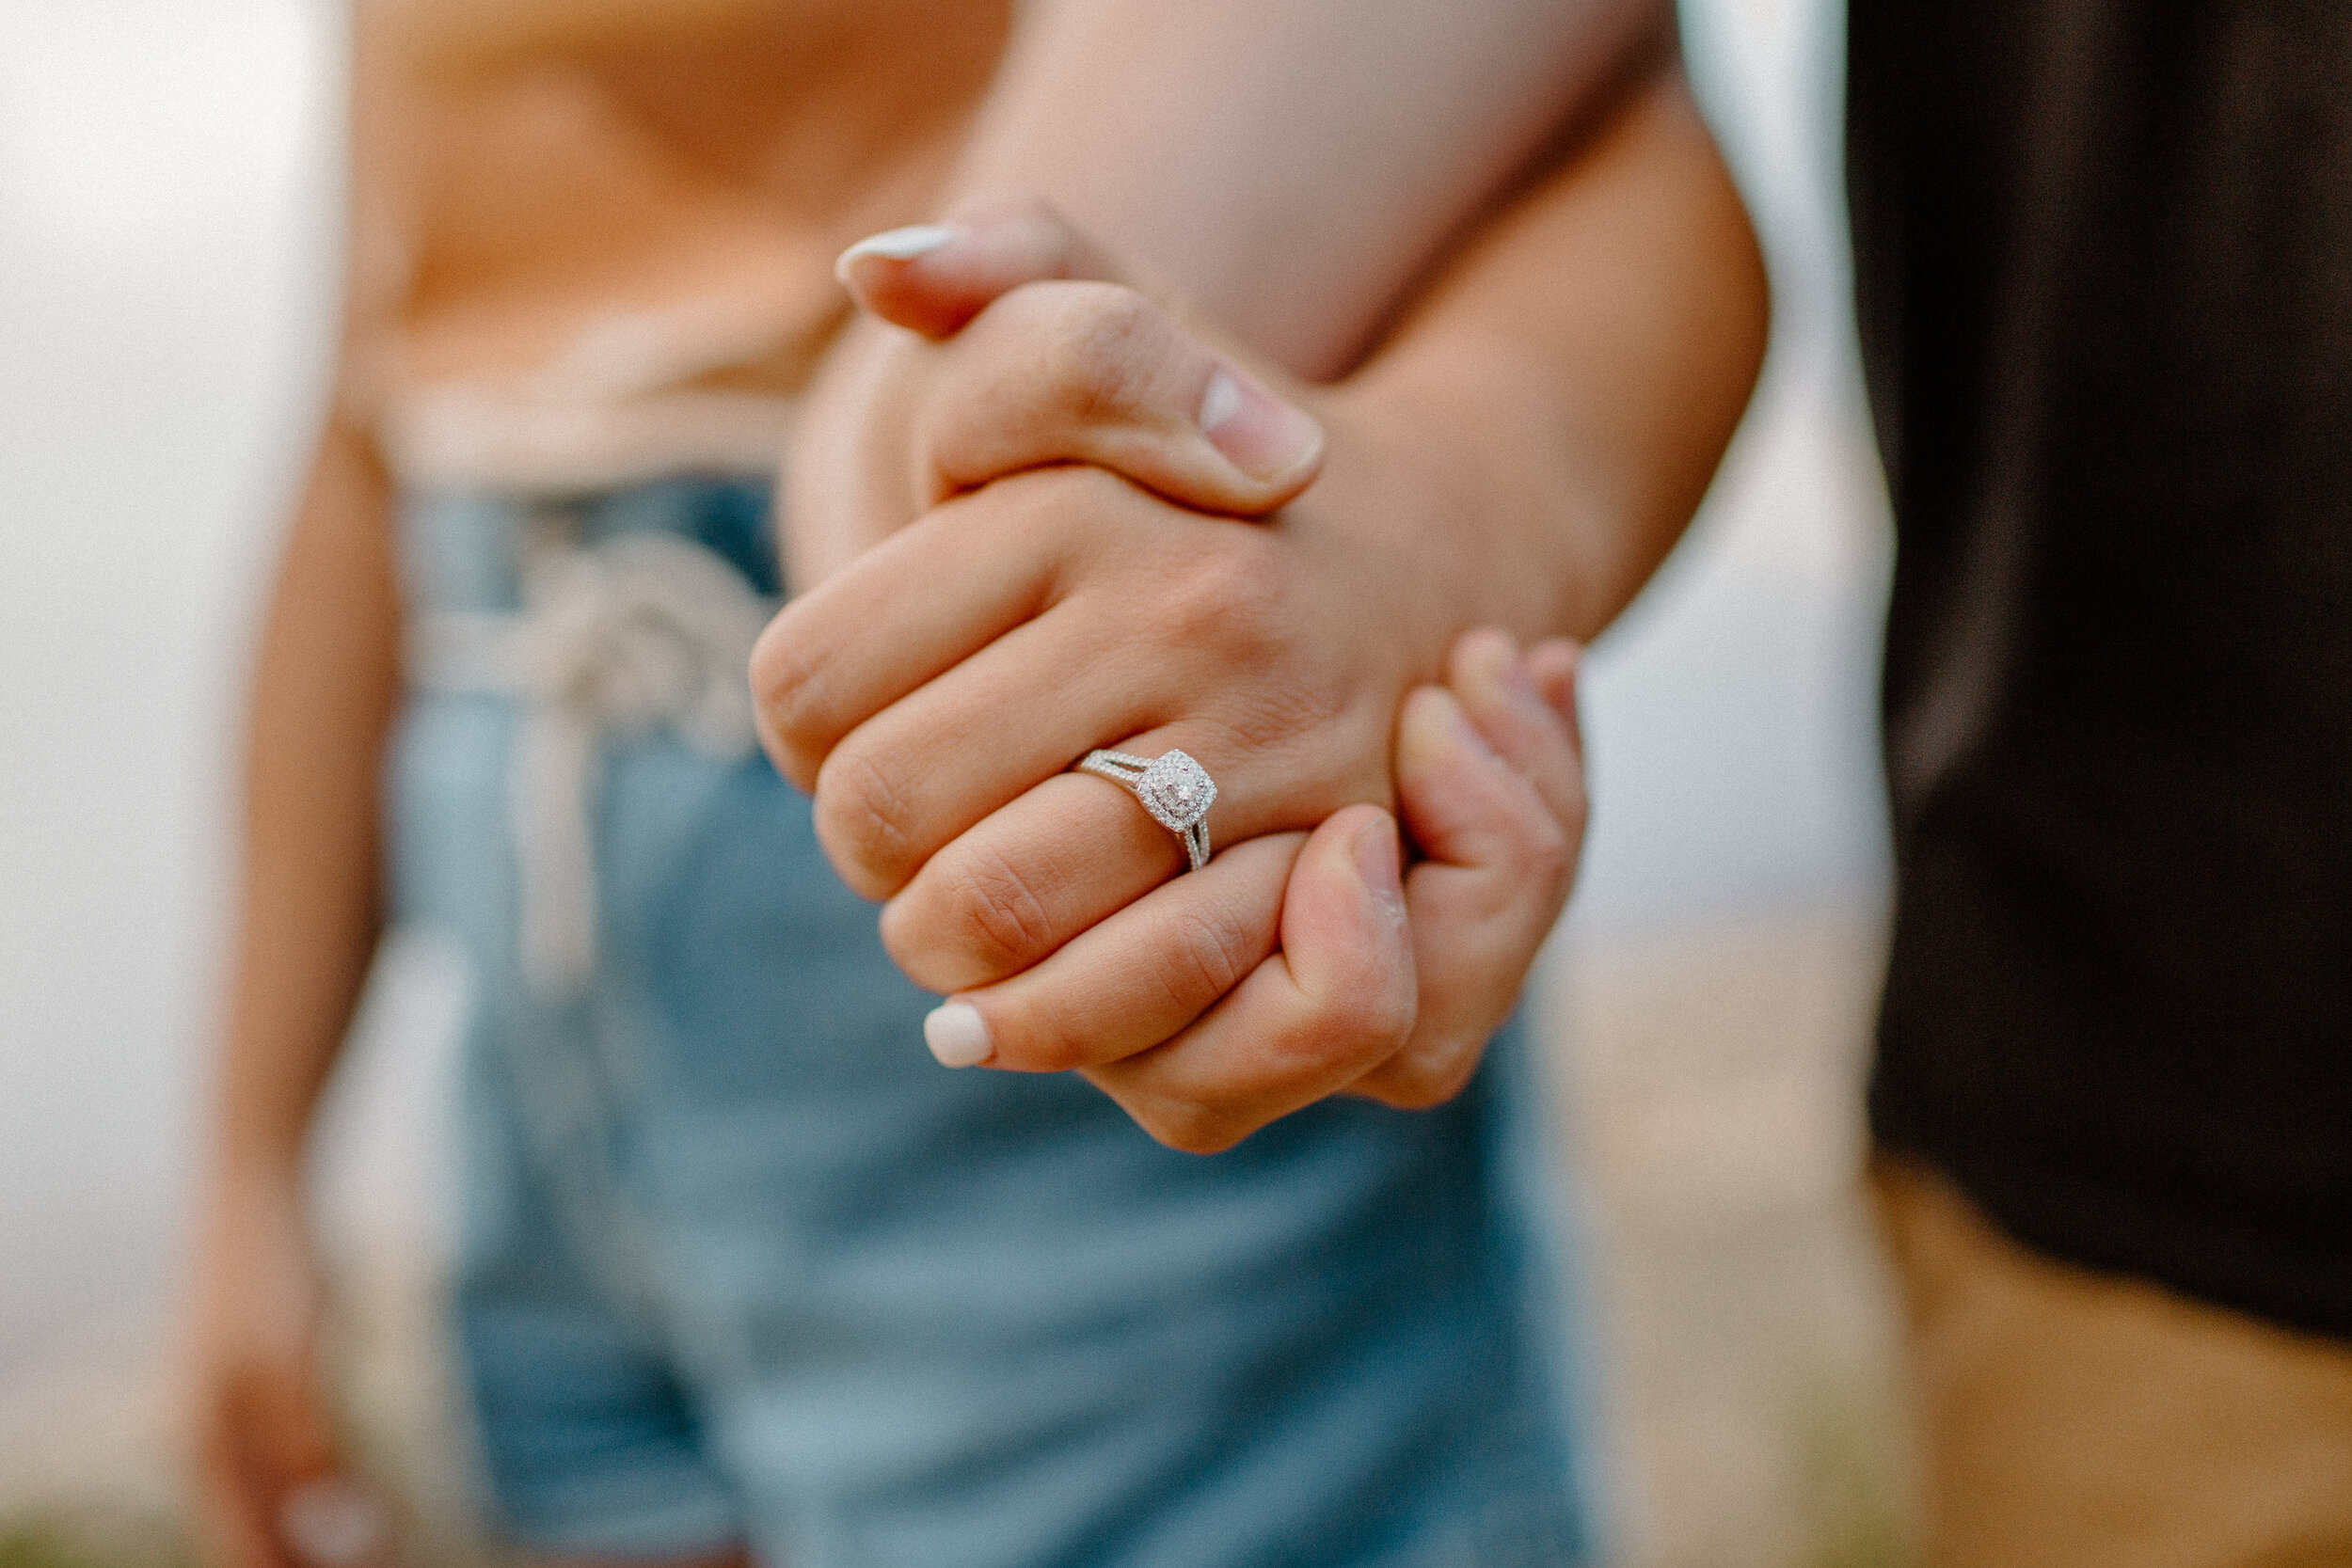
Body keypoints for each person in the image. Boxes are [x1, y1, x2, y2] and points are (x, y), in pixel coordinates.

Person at [185, 4, 1766, 1567]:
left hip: (1048, 833)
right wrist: (253, 1164)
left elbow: (1609, 103)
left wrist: (1426, 527)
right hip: (522, 952)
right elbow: (366, 407)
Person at [798, 2, 2352, 1563]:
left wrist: (1405, 538)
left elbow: (1605, 115)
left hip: (2162, 1024)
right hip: (2156, 978)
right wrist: (1411, 533)